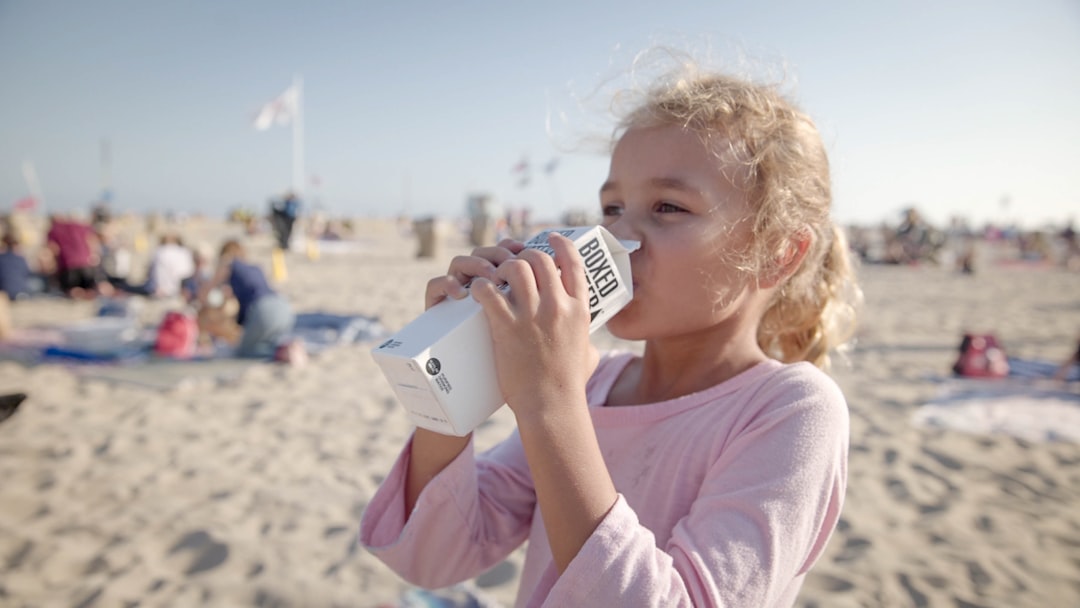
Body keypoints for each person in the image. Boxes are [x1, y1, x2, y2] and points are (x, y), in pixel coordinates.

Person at [360, 59, 861, 606]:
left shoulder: (791, 410)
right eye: (612, 207)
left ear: (777, 253)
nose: (618, 235)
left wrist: (550, 406)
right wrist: (455, 382)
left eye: (668, 207)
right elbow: (435, 558)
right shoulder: (594, 385)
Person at [198, 239, 294, 359]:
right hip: (283, 306)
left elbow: (209, 289)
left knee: (244, 352)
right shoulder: (254, 268)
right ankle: (288, 350)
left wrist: (201, 301)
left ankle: (285, 352)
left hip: (265, 310)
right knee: (264, 346)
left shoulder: (229, 262)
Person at [115, 233, 194, 299]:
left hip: (156, 290)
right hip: (174, 291)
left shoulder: (159, 251)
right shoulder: (184, 252)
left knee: (123, 287)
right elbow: (187, 274)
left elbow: (149, 272)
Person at [0, 234, 32, 301]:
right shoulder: (21, 259)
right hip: (21, 292)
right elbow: (26, 274)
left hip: (5, 293)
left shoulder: (2, 258)